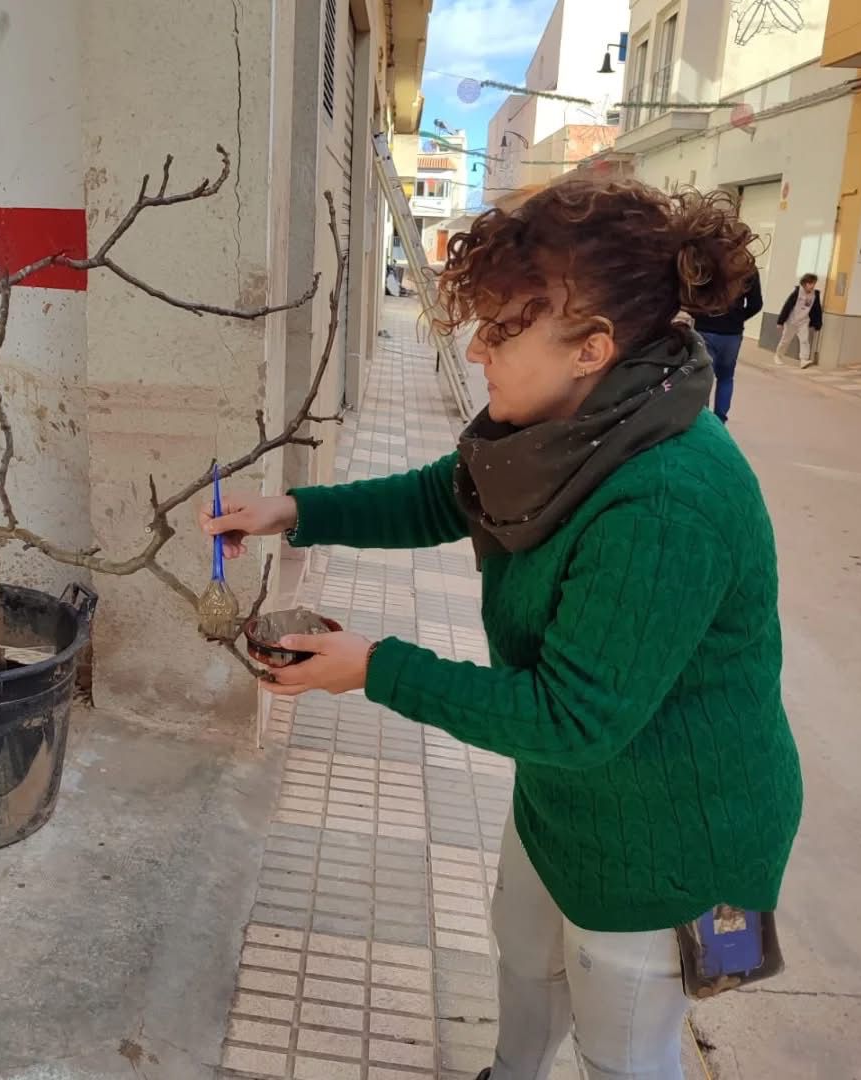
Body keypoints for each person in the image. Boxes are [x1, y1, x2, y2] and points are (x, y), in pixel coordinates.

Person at [203, 179, 802, 1080]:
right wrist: (293, 509)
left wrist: (373, 668)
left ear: (592, 348)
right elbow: (450, 493)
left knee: (623, 1049)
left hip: (673, 844)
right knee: (526, 965)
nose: (478, 347)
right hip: (567, 800)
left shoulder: (669, 498)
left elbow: (573, 718)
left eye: (506, 328)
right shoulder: (567, 427)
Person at [695, 274, 763, 422]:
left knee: (704, 377)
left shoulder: (706, 261)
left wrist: (699, 315)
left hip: (706, 329)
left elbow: (691, 294)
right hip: (731, 334)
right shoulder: (747, 268)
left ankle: (703, 420)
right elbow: (756, 304)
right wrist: (738, 318)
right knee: (726, 378)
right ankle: (720, 421)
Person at [775, 272, 823, 368]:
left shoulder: (815, 295)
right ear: (805, 283)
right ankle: (778, 356)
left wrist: (818, 324)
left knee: (804, 340)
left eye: (814, 283)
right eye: (810, 283)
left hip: (803, 321)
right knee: (786, 340)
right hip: (792, 321)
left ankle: (804, 360)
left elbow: (817, 310)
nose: (812, 286)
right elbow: (787, 306)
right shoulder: (797, 292)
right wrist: (780, 321)